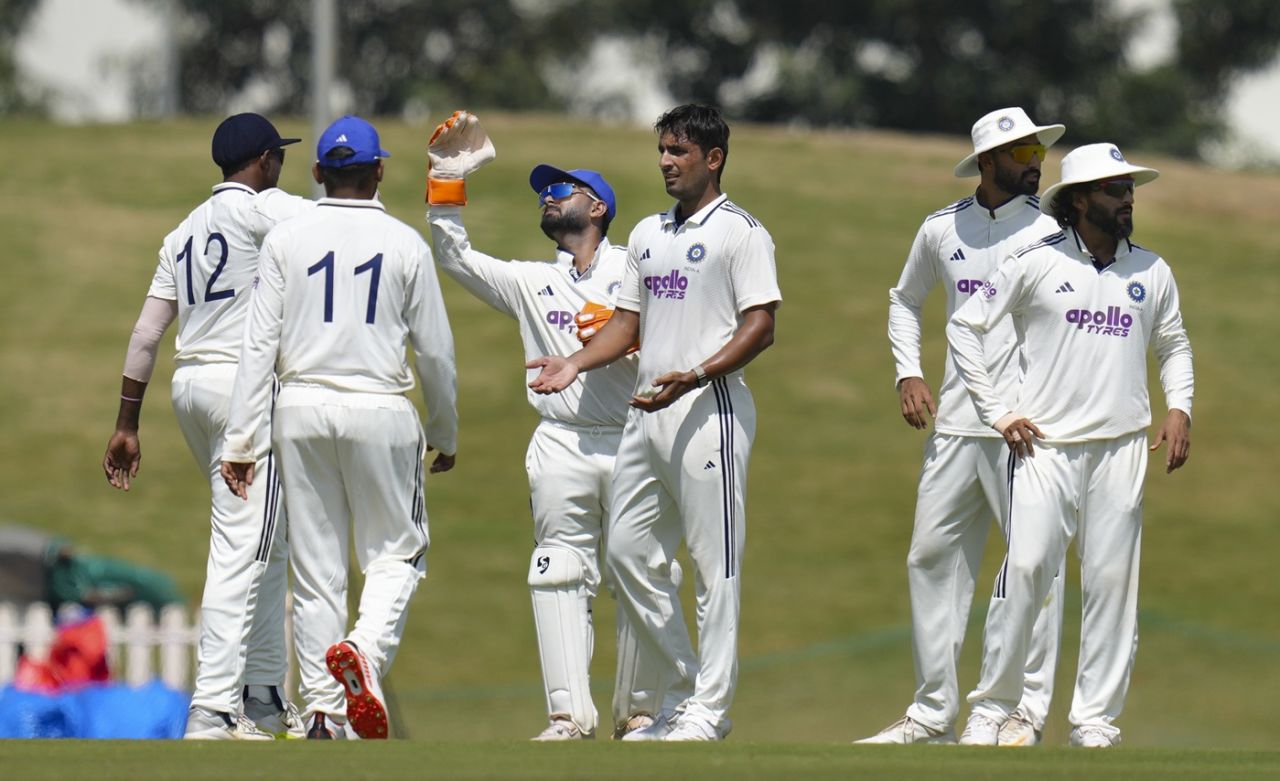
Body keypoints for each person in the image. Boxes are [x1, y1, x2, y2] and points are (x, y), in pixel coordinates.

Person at [423, 111, 691, 740]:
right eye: (544, 190)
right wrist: (445, 182)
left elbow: (689, 326)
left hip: (634, 437)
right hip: (560, 441)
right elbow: (455, 257)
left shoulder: (637, 266)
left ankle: (643, 712)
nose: (547, 195)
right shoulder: (531, 281)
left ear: (597, 207)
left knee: (644, 570)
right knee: (557, 569)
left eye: (563, 188)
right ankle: (568, 716)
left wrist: (631, 336)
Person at [528, 104, 781, 742]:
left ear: (713, 158)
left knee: (712, 564)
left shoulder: (741, 232)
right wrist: (575, 364)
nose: (666, 162)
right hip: (647, 414)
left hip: (708, 411)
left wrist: (694, 375)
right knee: (629, 554)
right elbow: (627, 324)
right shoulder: (646, 233)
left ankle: (709, 710)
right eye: (663, 151)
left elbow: (761, 325)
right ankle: (692, 689)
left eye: (679, 152)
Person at [947, 143, 1193, 748]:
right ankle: (994, 708)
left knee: (1111, 584)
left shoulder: (1152, 271)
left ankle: (1095, 723)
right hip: (1044, 448)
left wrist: (1180, 406)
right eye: (1114, 190)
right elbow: (964, 326)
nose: (1127, 198)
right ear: (1079, 200)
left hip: (1121, 448)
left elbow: (1175, 344)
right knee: (1025, 571)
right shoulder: (1036, 261)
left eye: (1129, 188)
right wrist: (998, 411)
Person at [220, 115, 458, 741]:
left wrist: (242, 440)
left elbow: (258, 345)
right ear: (380, 171)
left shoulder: (287, 238)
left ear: (318, 172)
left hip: (298, 409)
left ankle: (325, 713)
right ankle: (364, 653)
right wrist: (446, 431)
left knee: (316, 569)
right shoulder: (404, 242)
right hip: (379, 406)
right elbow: (434, 351)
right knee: (397, 553)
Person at [858, 107, 1068, 746]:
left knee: (1034, 567)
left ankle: (1020, 714)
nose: (1036, 163)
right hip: (954, 424)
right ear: (987, 163)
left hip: (1027, 429)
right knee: (930, 557)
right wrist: (907, 371)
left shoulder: (1054, 232)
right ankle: (930, 712)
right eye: (1022, 154)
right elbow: (903, 300)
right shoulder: (939, 229)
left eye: (1037, 152)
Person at [102, 113, 313, 741]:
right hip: (243, 387)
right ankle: (214, 705)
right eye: (279, 157)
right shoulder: (265, 210)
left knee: (265, 537)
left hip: (190, 387)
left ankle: (264, 695)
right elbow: (333, 229)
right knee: (242, 543)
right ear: (265, 161)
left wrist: (126, 423)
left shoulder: (183, 231)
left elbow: (146, 333)